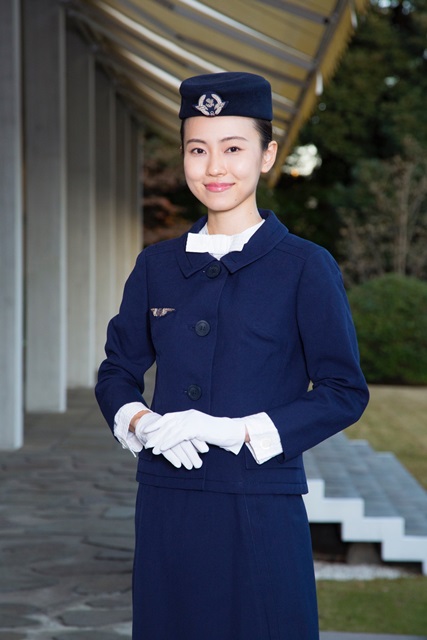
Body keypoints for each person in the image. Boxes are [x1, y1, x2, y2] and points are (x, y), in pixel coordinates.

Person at [95, 71, 369, 640]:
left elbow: (344, 393)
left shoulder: (304, 266)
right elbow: (117, 371)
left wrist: (238, 432)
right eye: (198, 149)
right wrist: (140, 421)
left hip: (259, 506)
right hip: (167, 500)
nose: (214, 167)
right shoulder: (156, 266)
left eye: (233, 148)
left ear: (268, 155)